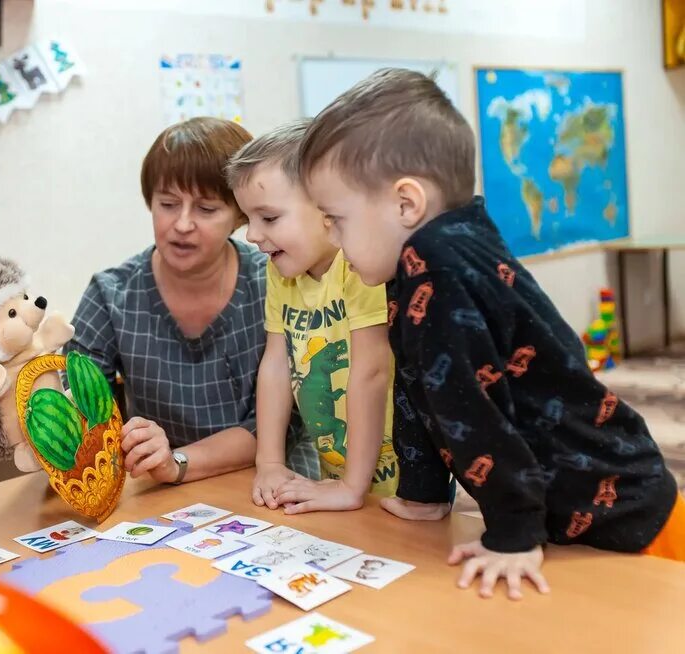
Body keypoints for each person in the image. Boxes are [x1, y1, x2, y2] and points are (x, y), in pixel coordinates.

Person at [298, 68, 684, 600]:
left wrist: (513, 535)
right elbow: (421, 388)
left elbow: (475, 412)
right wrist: (424, 494)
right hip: (575, 509)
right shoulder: (421, 258)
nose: (334, 239)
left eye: (336, 219)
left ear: (406, 204)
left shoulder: (438, 268)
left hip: (620, 512)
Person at [66, 117, 268, 485]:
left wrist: (177, 461)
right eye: (168, 203)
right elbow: (81, 414)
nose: (183, 224)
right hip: (157, 497)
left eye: (206, 209)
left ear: (241, 214)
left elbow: (277, 426)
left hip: (264, 488)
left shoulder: (271, 286)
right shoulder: (112, 294)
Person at [226, 120, 397, 515]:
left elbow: (372, 371)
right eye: (248, 218)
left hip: (401, 479)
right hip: (335, 476)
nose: (251, 235)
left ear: (327, 210)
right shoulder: (280, 270)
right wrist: (268, 463)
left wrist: (354, 487)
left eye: (268, 218)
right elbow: (276, 364)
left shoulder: (360, 265)